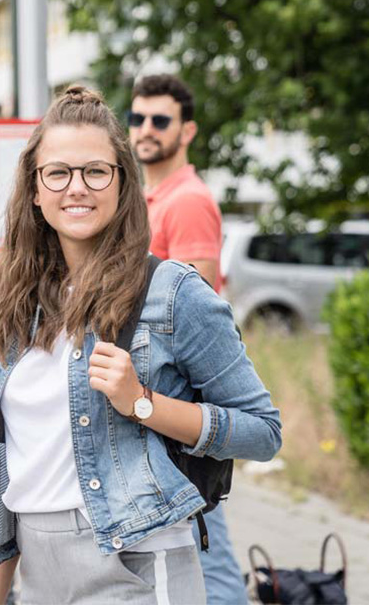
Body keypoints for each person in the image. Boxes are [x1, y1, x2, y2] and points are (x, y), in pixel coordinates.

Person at [0, 85, 281, 605]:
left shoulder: (172, 293)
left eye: (96, 171)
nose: (77, 187)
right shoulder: (20, 297)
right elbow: (12, 471)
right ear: (34, 188)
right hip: (38, 572)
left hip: (135, 562)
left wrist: (142, 402)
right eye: (58, 173)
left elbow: (263, 432)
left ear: (121, 184)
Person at [129, 73, 247, 603]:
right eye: (138, 118)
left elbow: (193, 303)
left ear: (188, 130)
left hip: (181, 396)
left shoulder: (188, 200)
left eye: (160, 120)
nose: (146, 130)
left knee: (207, 547)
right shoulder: (150, 196)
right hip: (155, 393)